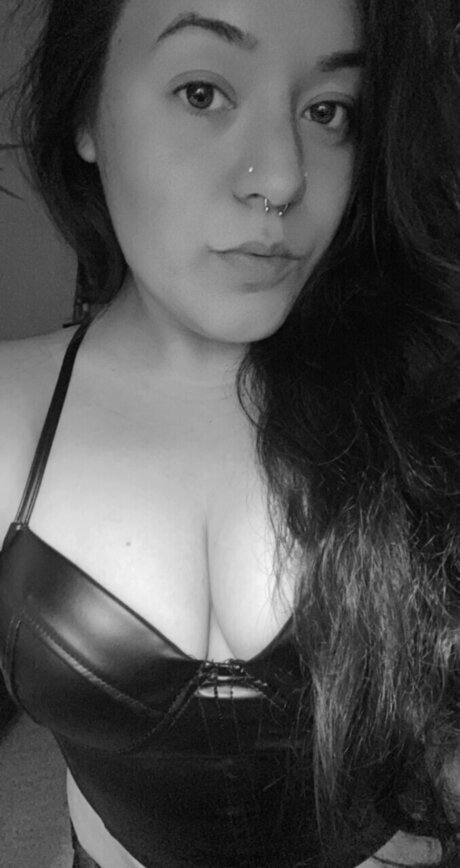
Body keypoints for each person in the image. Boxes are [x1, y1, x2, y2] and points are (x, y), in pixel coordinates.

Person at [0, 0, 459, 865]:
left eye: (328, 111)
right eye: (203, 93)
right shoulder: (11, 414)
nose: (282, 178)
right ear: (84, 113)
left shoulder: (423, 397)